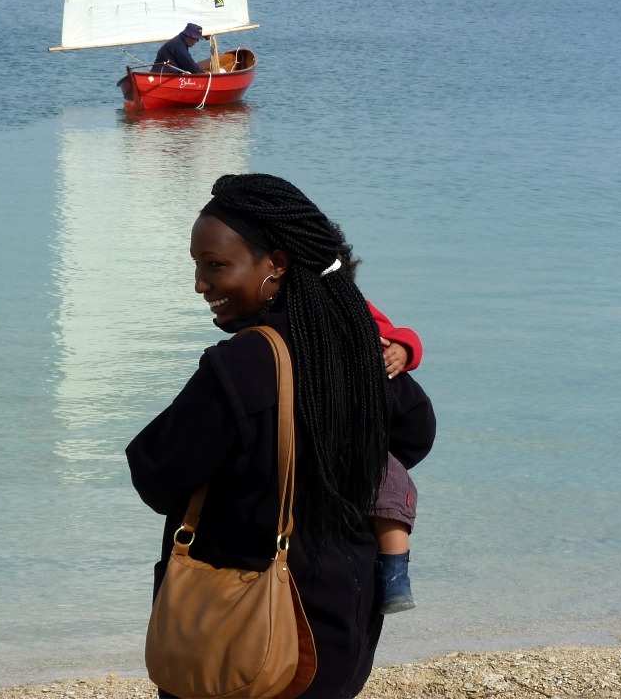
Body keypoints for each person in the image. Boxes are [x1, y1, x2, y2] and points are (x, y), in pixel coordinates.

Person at [126, 174, 436, 699]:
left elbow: (158, 475)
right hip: (340, 626)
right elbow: (414, 431)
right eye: (198, 265)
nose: (200, 284)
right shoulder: (362, 350)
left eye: (216, 265)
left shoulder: (240, 367)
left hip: (240, 627)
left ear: (277, 264)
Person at [367, 301, 423, 614]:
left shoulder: (359, 309)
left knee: (390, 491)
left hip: (375, 431)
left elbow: (406, 336)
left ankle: (395, 573)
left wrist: (402, 350)